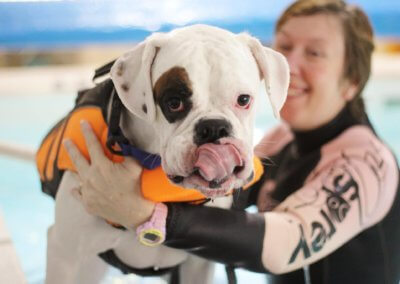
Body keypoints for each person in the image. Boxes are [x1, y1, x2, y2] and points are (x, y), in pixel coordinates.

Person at [63, 0, 400, 283]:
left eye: (314, 53)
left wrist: (142, 214)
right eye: (283, 47)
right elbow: (211, 210)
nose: (291, 65)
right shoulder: (281, 140)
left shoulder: (367, 164)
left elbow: (285, 245)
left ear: (352, 79)